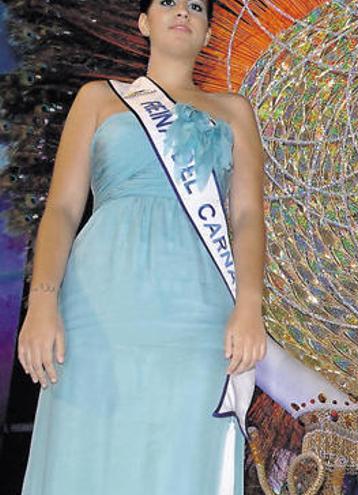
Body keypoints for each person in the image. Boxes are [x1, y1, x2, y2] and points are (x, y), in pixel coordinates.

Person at [16, 0, 266, 493]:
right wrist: (42, 301)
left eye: (196, 6)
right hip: (98, 306)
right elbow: (63, 209)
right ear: (143, 22)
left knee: (183, 450)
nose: (182, 12)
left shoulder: (235, 110)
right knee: (90, 450)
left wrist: (250, 306)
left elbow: (247, 217)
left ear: (209, 31)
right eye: (168, 2)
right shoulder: (98, 99)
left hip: (200, 313)